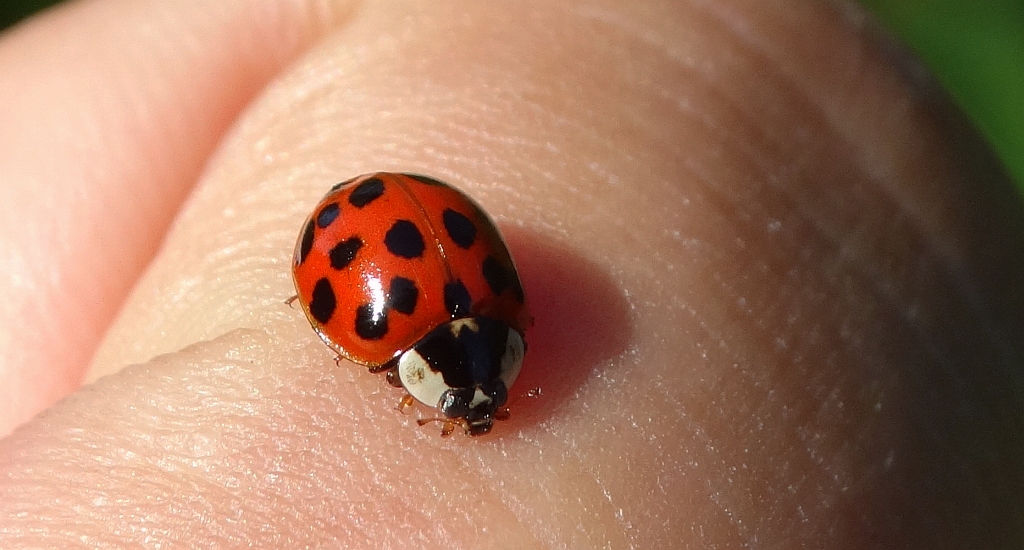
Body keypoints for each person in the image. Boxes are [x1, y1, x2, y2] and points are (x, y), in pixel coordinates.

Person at [1, 0, 1022, 547]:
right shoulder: (429, 323)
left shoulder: (440, 323)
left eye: (472, 391)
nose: (481, 404)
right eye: (475, 390)